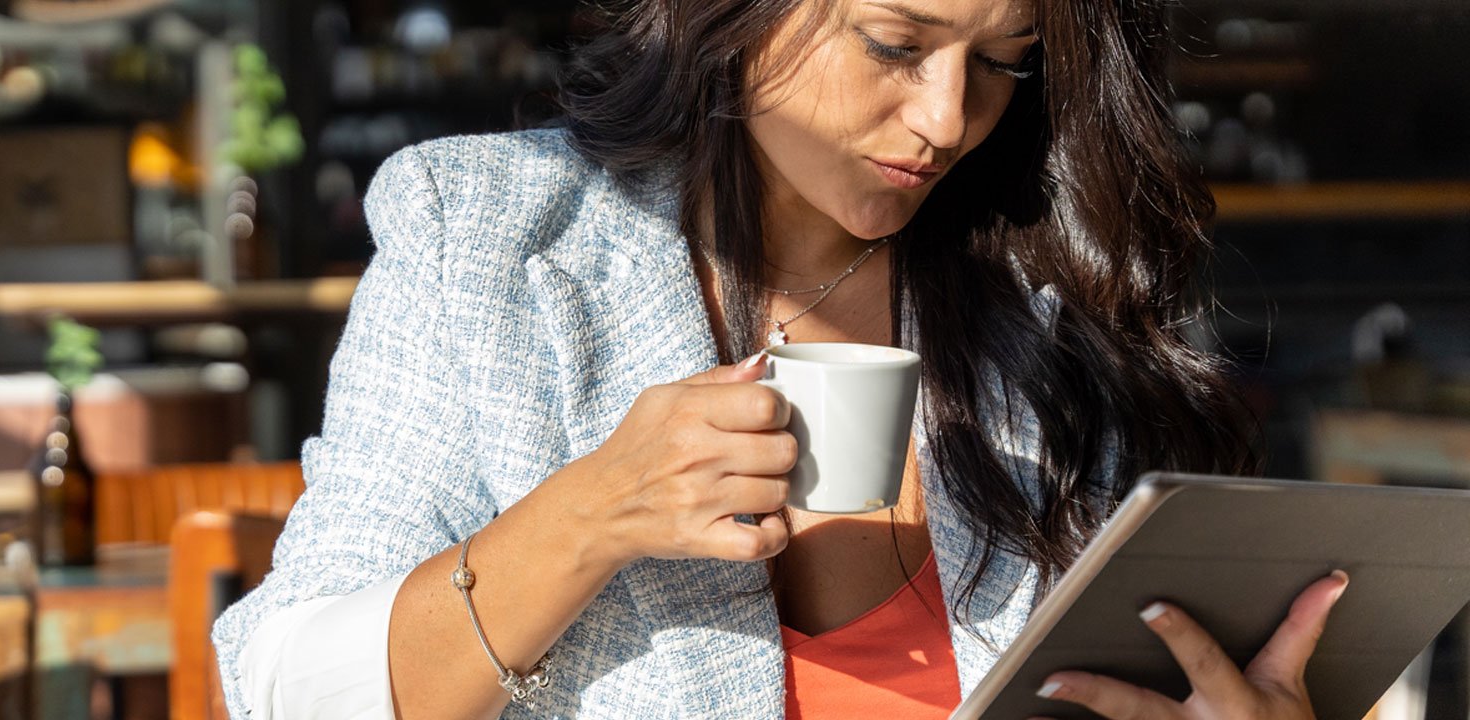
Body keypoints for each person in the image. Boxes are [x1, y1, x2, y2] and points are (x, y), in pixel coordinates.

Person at [213, 0, 1350, 717]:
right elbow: (283, 689)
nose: (949, 117)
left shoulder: (1054, 295)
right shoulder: (497, 240)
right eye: (896, 45)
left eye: (1007, 62)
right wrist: (589, 515)